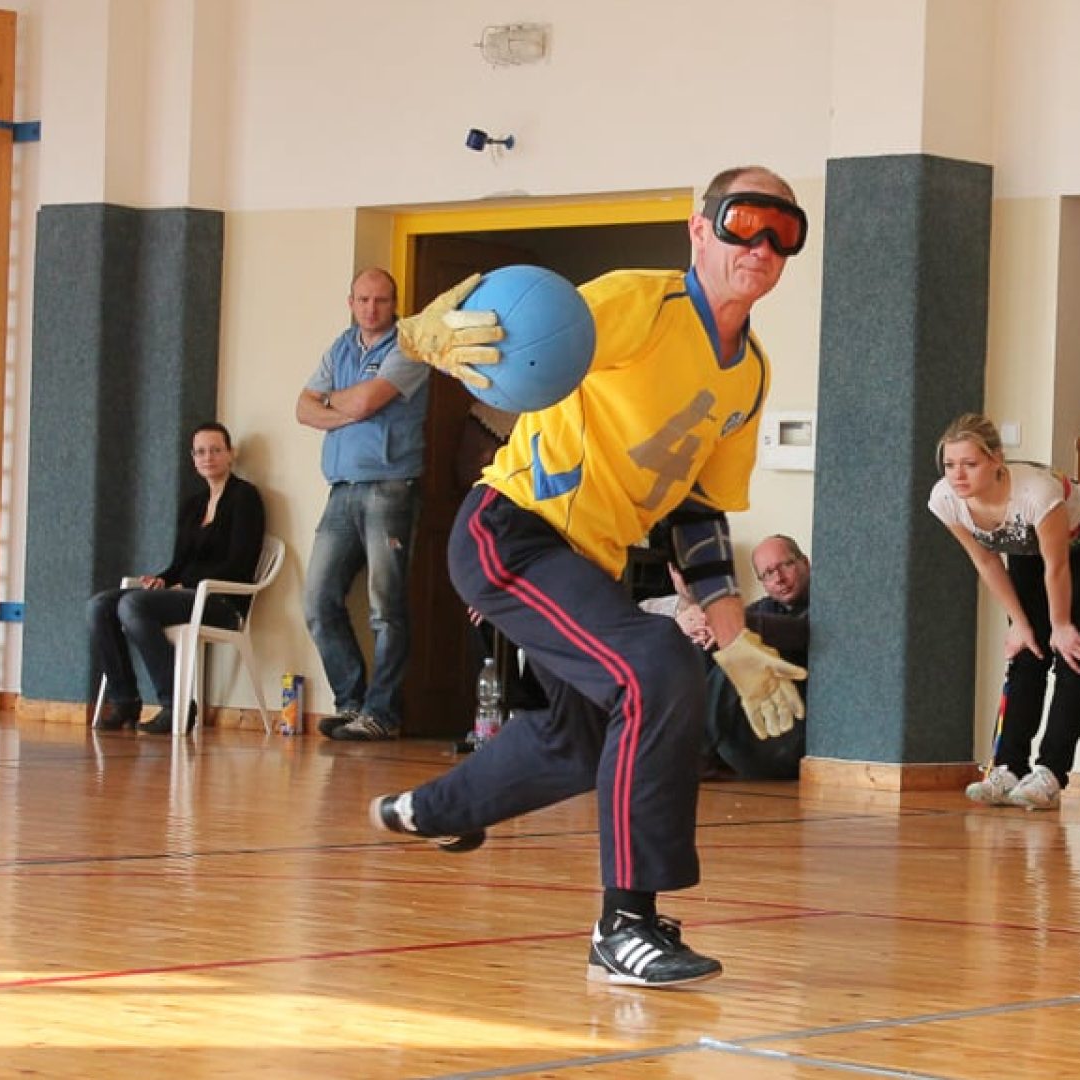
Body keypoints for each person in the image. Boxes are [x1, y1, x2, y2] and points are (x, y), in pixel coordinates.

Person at [368, 166, 809, 989]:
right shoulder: (639, 306)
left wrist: (735, 636)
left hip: (586, 563)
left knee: (578, 742)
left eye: (784, 229)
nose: (762, 243)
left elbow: (698, 514)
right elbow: (513, 332)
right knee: (656, 666)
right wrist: (423, 335)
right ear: (700, 229)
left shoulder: (748, 376)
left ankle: (433, 810)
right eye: (745, 220)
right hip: (511, 531)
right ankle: (625, 925)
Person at [933, 413, 1080, 811]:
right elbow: (986, 562)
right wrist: (1020, 624)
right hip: (1027, 550)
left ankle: (1051, 773)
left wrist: (1061, 625)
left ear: (996, 460)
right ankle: (1007, 767)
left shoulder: (1037, 492)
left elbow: (1058, 568)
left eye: (970, 463)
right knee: (1025, 652)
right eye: (950, 465)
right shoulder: (945, 500)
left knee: (1071, 654)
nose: (958, 475)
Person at [295, 267, 430, 741]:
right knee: (317, 600)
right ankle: (351, 704)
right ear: (350, 302)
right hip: (341, 490)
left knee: (385, 607)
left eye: (381, 300)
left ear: (395, 303)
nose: (372, 308)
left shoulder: (408, 347)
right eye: (363, 300)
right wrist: (340, 404)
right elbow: (301, 408)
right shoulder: (341, 346)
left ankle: (382, 714)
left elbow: (365, 404)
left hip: (389, 489)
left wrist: (332, 402)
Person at [88, 423, 267, 734]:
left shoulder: (245, 497)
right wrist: (162, 579)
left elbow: (239, 563)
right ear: (193, 458)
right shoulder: (192, 504)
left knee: (133, 606)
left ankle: (177, 706)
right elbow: (180, 564)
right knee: (99, 605)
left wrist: (189, 583)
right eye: (200, 452)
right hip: (187, 596)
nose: (208, 457)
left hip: (221, 601)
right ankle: (125, 700)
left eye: (215, 450)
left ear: (230, 454)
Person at [673, 535, 812, 780]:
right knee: (703, 649)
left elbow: (802, 632)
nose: (778, 578)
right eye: (768, 573)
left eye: (785, 565)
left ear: (806, 563)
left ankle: (693, 755)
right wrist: (705, 627)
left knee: (739, 657)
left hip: (792, 737)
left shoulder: (830, 606)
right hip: (754, 738)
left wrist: (728, 624)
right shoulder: (764, 608)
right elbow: (730, 631)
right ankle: (683, 749)